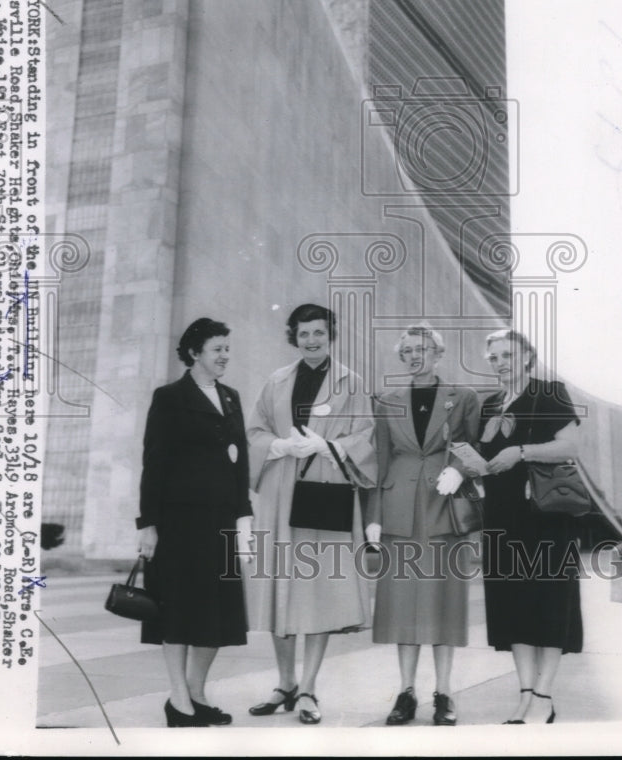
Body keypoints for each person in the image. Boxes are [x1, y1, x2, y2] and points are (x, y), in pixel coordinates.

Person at [246, 303, 377, 725]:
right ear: (294, 337)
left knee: (317, 590)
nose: (312, 340)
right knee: (280, 586)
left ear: (330, 334)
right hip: (280, 494)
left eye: (319, 332)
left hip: (326, 490)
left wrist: (330, 447)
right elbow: (254, 431)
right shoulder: (276, 381)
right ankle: (284, 683)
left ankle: (308, 688)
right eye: (304, 334)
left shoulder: (351, 383)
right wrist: (278, 445)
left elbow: (367, 435)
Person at [136, 318, 254, 728]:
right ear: (194, 353)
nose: (224, 356)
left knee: (217, 613)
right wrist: (148, 524)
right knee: (181, 610)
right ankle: (179, 699)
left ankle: (197, 693)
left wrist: (243, 518)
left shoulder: (232, 397)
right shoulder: (169, 398)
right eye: (217, 348)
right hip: (180, 523)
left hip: (221, 520)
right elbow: (154, 464)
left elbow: (241, 462)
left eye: (226, 348)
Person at [365, 324, 481, 727]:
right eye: (408, 350)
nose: (415, 356)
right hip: (398, 510)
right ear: (402, 357)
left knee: (445, 603)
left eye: (423, 349)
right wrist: (373, 516)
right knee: (402, 606)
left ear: (438, 353)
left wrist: (459, 470)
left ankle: (445, 692)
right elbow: (379, 460)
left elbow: (476, 445)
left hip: (443, 507)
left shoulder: (463, 398)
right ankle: (406, 691)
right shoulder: (387, 400)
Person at [479, 328, 583, 724]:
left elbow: (569, 446)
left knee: (550, 602)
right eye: (494, 357)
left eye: (508, 354)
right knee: (513, 605)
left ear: (526, 357)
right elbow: (489, 457)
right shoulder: (490, 405)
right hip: (503, 516)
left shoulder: (550, 393)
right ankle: (526, 694)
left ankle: (544, 695)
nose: (501, 362)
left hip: (546, 515)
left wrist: (520, 452)